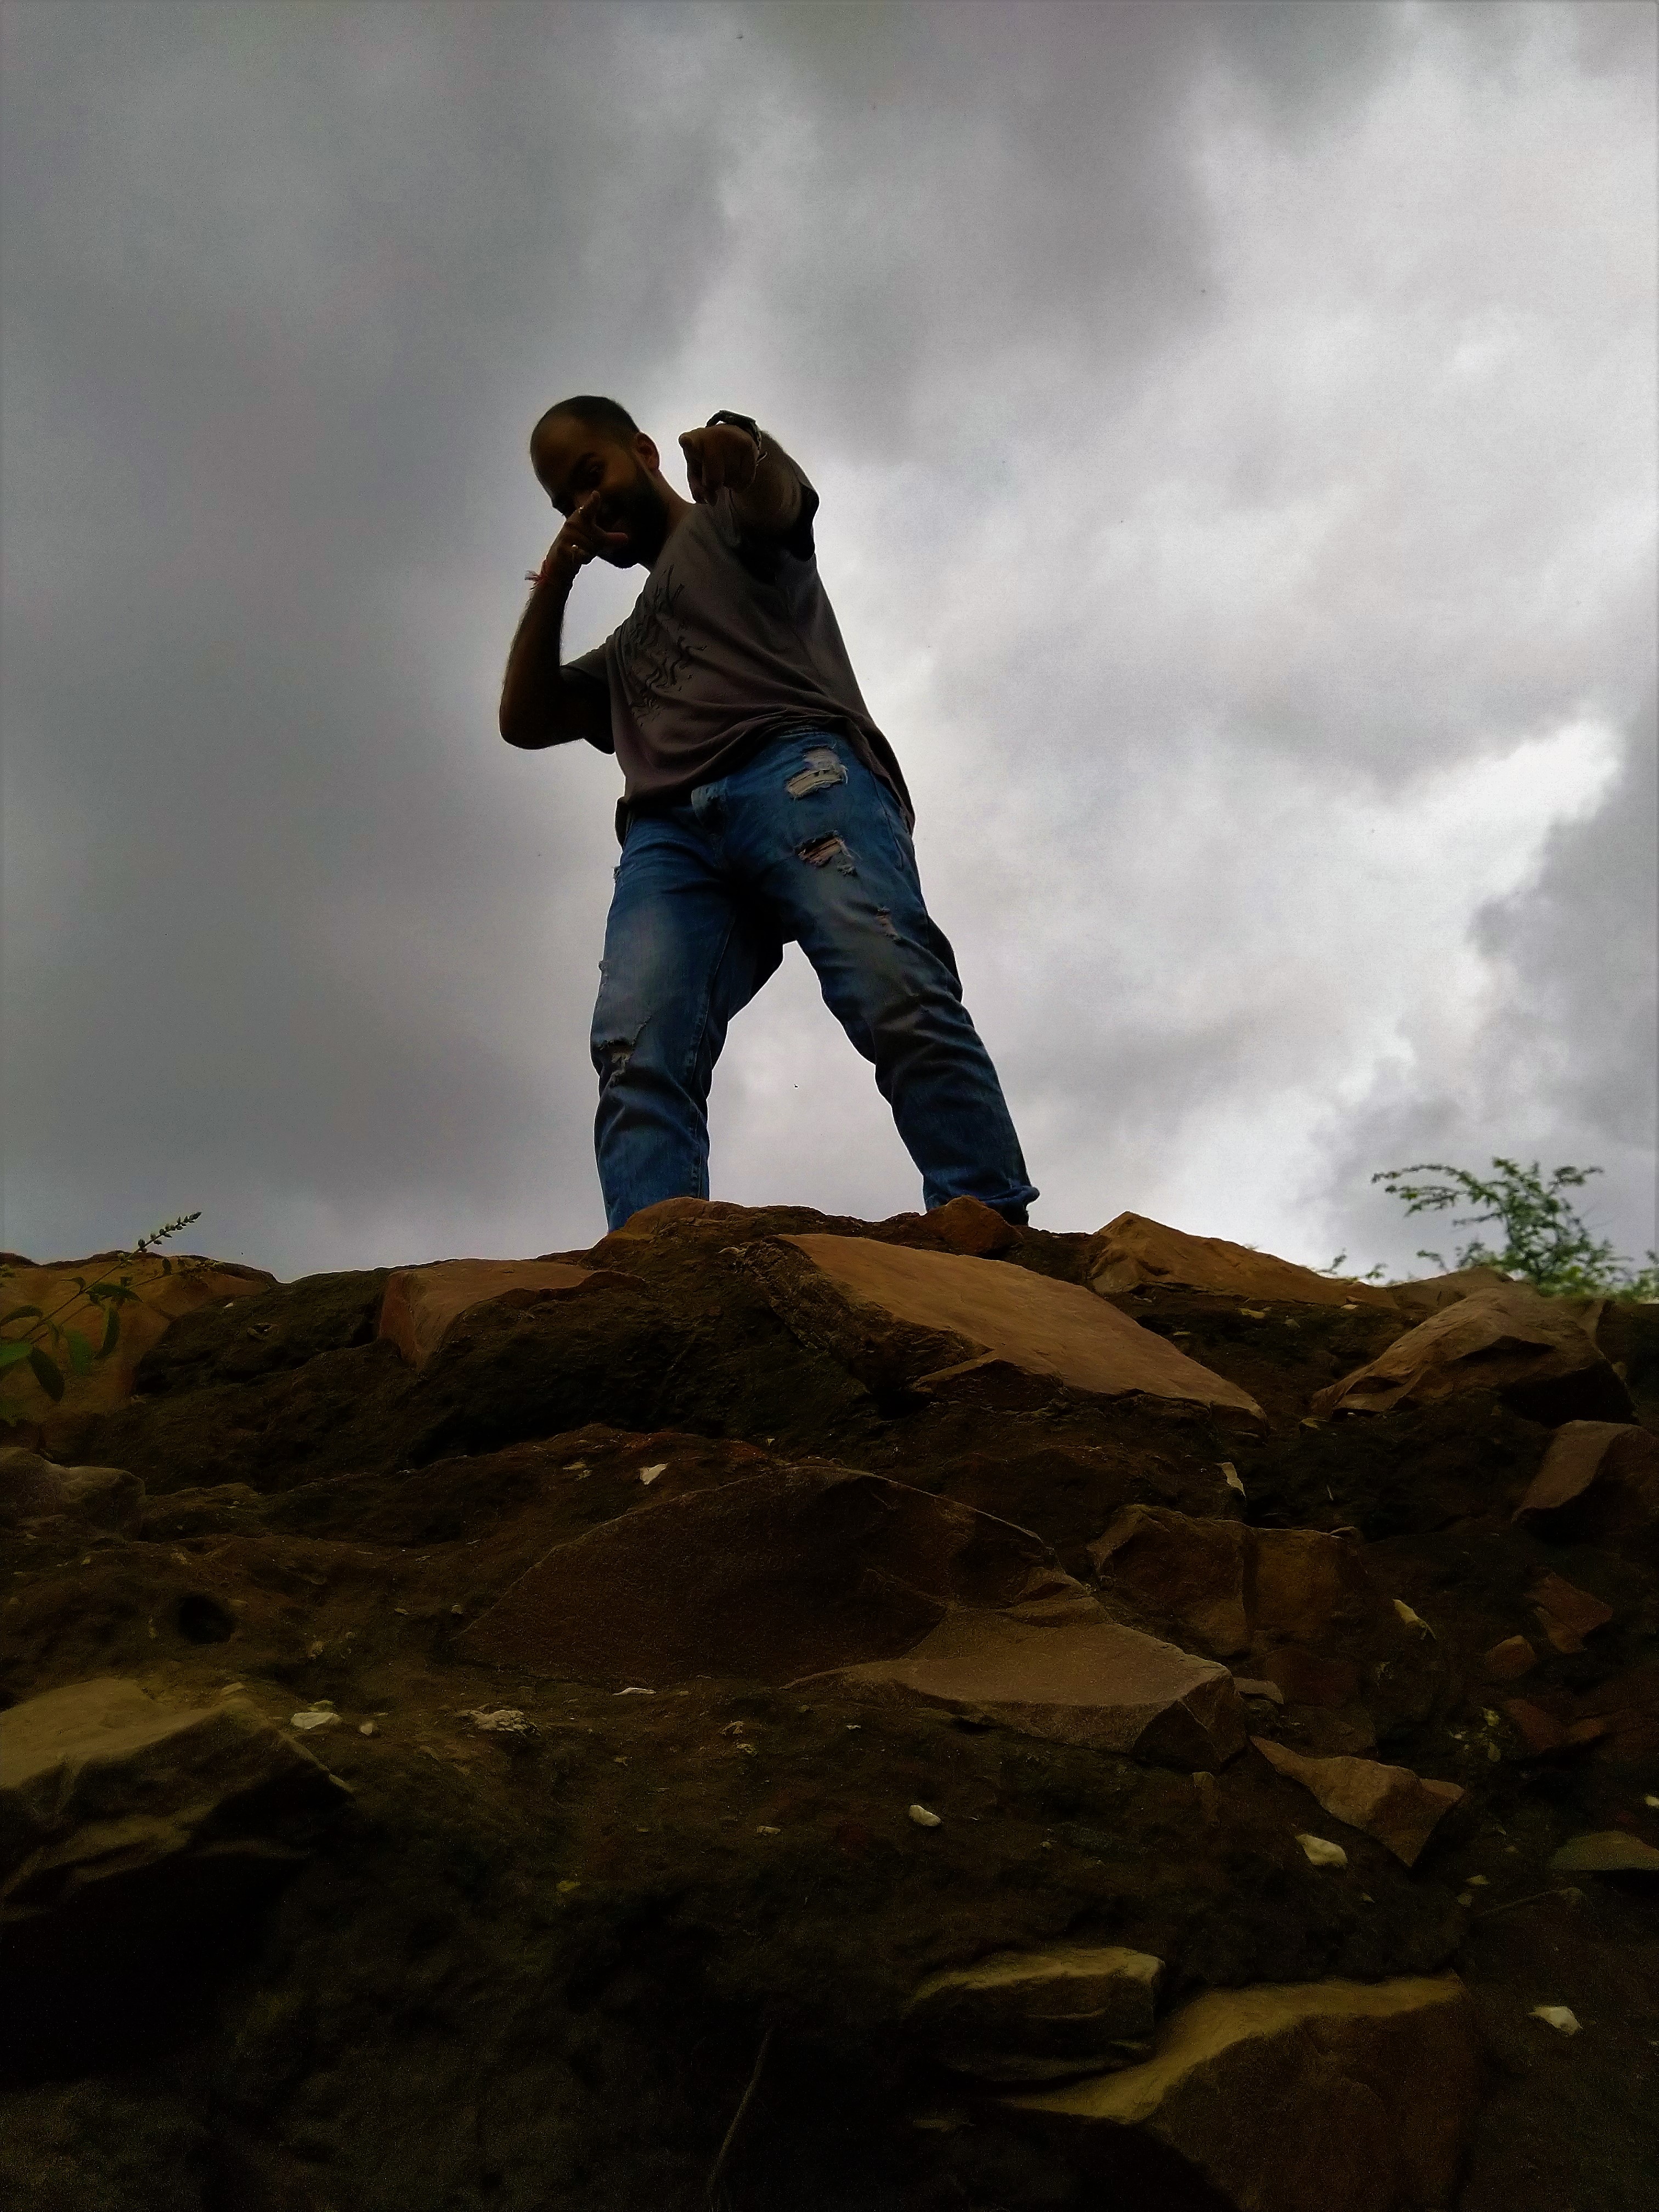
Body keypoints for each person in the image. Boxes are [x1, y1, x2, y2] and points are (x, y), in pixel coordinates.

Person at [499, 396, 1037, 1234]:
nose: (583, 507)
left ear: (643, 450)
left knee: (890, 982)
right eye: (564, 501)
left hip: (796, 772)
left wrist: (742, 446)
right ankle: (662, 1269)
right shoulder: (623, 656)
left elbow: (777, 496)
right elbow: (524, 718)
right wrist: (559, 572)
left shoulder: (729, 526)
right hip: (669, 841)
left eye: (590, 475)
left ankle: (989, 1222)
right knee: (637, 1051)